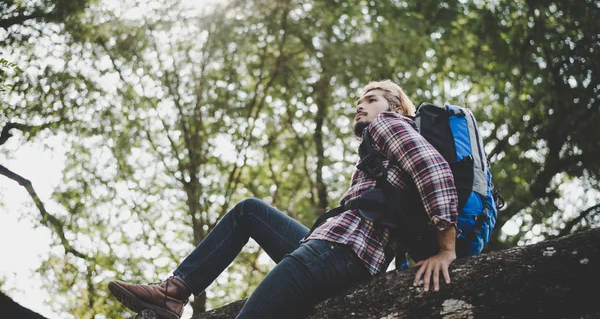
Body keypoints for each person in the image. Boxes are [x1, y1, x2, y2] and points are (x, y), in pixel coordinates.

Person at [108, 79, 458, 319]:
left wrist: (446, 249)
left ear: (394, 106)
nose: (360, 106)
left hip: (339, 251)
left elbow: (435, 171)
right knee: (249, 211)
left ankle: (172, 294)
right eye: (359, 101)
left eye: (371, 99)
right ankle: (174, 291)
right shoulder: (378, 145)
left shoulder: (390, 125)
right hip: (334, 249)